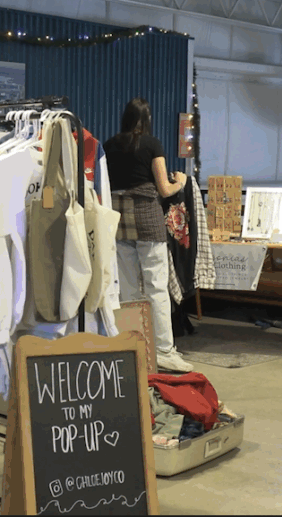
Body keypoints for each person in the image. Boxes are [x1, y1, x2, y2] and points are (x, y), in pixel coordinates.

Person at [105, 98, 193, 373]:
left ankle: (134, 347)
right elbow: (165, 190)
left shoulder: (108, 145)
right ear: (147, 118)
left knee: (129, 289)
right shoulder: (151, 144)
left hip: (118, 220)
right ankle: (164, 351)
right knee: (156, 288)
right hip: (146, 218)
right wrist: (181, 181)